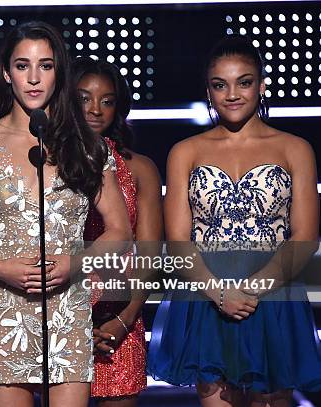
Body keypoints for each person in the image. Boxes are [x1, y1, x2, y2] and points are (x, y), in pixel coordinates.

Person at [0, 21, 132, 406]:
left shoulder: (87, 147)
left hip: (67, 305)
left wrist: (74, 263)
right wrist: (0, 268)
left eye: (45, 65)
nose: (34, 78)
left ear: (59, 72)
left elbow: (119, 231)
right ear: (7, 73)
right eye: (23, 66)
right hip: (4, 305)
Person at [147, 34, 321, 406]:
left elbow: (304, 235)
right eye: (219, 85)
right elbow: (178, 239)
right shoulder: (185, 152)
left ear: (261, 84)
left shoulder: (295, 148)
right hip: (207, 298)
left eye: (243, 82)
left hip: (275, 295)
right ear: (208, 91)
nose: (232, 94)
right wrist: (219, 292)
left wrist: (253, 289)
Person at [72, 57, 163, 406]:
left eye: (107, 101)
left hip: (121, 317)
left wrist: (124, 321)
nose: (95, 109)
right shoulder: (47, 162)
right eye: (84, 98)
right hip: (61, 316)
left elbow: (152, 253)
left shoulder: (140, 168)